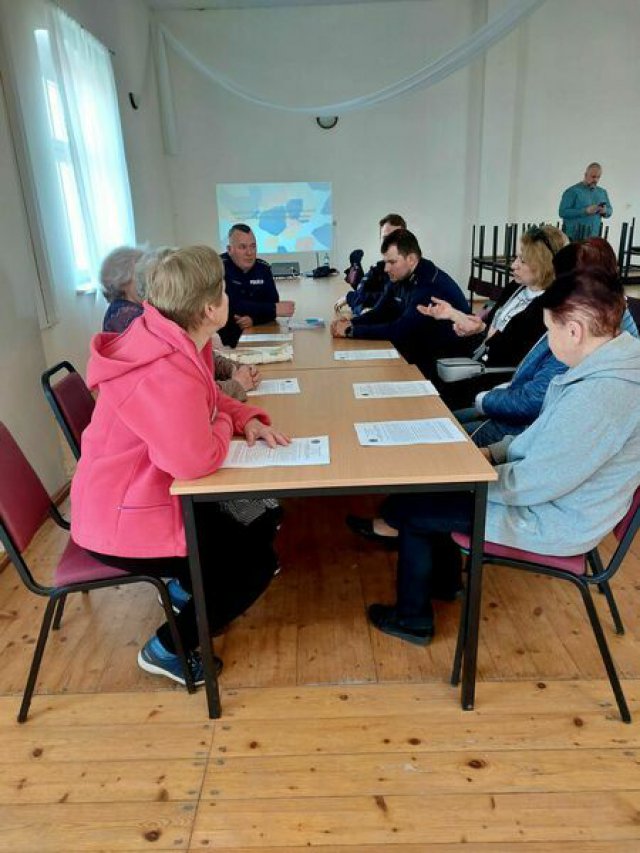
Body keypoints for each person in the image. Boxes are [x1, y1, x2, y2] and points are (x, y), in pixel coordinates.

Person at [354, 266, 640, 646]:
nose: (548, 340)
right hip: (545, 496)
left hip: (555, 518)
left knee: (414, 508)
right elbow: (541, 437)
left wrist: (476, 478)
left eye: (550, 330)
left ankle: (413, 620)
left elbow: (539, 483)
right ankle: (443, 582)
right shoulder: (601, 365)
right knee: (431, 491)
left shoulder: (601, 395)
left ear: (575, 331)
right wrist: (490, 451)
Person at [70, 246, 290, 685]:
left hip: (149, 494)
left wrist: (243, 416)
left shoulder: (179, 337)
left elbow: (207, 399)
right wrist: (228, 421)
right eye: (225, 291)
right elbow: (193, 461)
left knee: (264, 511)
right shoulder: (164, 368)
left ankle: (190, 587)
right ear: (211, 308)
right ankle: (166, 648)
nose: (229, 297)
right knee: (253, 565)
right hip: (124, 517)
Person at [454, 237, 639, 445]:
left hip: (519, 421)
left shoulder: (584, 338)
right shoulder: (594, 321)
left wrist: (486, 401)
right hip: (516, 412)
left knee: (448, 438)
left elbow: (536, 411)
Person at [421, 225, 567, 408]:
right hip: (481, 361)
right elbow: (490, 327)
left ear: (544, 266)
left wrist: (481, 330)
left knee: (435, 390)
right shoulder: (516, 288)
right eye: (516, 257)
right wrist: (454, 314)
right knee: (428, 361)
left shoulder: (549, 307)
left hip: (498, 376)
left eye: (523, 261)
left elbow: (512, 353)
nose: (513, 265)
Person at [330, 229, 469, 377]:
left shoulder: (429, 285)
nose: (386, 268)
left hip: (443, 363)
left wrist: (351, 331)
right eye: (385, 262)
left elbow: (402, 330)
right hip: (419, 349)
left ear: (411, 259)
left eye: (392, 262)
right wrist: (351, 323)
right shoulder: (400, 275)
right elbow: (381, 312)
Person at [218, 224, 295, 346]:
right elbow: (230, 305)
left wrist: (254, 319)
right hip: (223, 339)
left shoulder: (263, 269)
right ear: (229, 249)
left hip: (256, 334)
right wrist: (273, 309)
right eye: (243, 247)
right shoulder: (217, 268)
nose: (249, 252)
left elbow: (273, 302)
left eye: (253, 246)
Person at [335, 214, 407, 318]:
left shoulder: (410, 269)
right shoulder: (379, 267)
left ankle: (355, 269)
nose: (389, 243)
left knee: (359, 291)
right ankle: (356, 269)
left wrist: (349, 298)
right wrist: (363, 309)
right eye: (385, 238)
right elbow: (361, 296)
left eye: (395, 238)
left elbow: (393, 303)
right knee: (360, 288)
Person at [559, 162, 612, 240]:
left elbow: (610, 210)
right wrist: (585, 211)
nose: (596, 180)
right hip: (573, 238)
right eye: (593, 177)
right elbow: (562, 212)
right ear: (585, 175)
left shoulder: (602, 192)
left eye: (598, 177)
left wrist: (604, 211)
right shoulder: (572, 191)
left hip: (594, 238)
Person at [100, 246, 144, 333]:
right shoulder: (125, 314)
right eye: (140, 275)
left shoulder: (122, 307)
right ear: (122, 280)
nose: (146, 281)